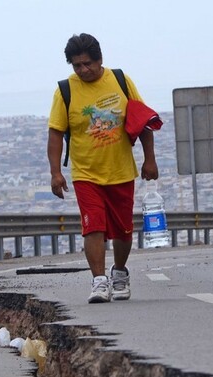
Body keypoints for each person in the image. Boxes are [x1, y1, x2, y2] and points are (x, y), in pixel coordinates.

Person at [47, 33, 158, 303]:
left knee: (123, 230)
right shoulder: (65, 90)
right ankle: (98, 280)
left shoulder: (120, 80)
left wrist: (150, 159)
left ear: (100, 60)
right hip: (86, 173)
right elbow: (56, 133)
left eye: (87, 64)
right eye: (77, 65)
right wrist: (55, 173)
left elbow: (142, 119)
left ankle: (119, 271)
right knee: (93, 225)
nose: (83, 70)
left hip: (120, 171)